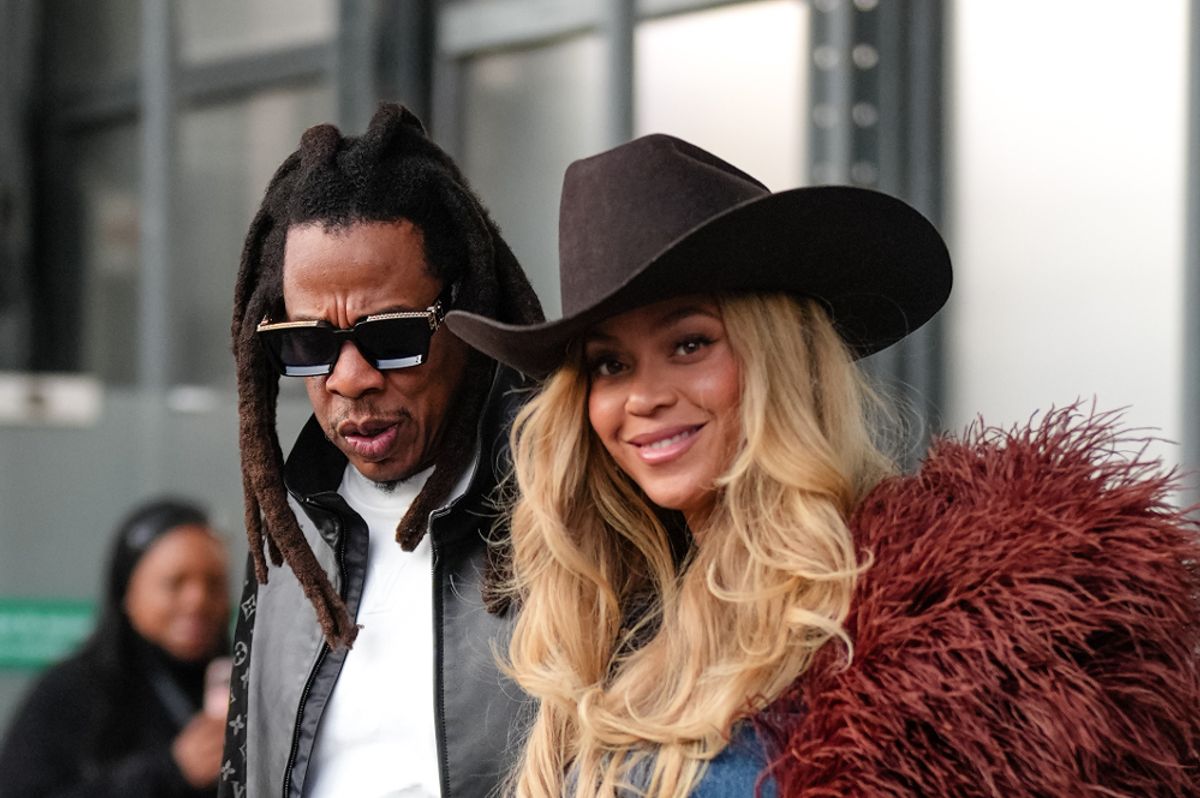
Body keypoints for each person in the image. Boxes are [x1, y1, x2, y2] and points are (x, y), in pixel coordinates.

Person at [445, 134, 1200, 797]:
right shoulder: (606, 627)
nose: (643, 398)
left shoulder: (932, 633)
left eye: (690, 344)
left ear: (778, 356)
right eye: (610, 365)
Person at [221, 102, 543, 798]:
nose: (350, 379)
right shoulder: (287, 536)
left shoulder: (568, 515)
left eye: (392, 335)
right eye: (307, 345)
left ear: (467, 311)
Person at [0, 498, 231, 798]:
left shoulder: (243, 684)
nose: (198, 601)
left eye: (214, 583)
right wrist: (170, 772)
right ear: (127, 592)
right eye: (175, 583)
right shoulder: (73, 690)